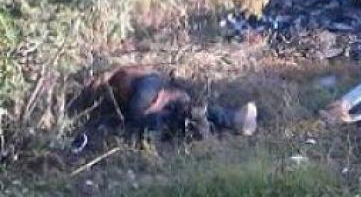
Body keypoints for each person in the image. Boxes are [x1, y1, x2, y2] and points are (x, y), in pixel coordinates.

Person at [76, 66, 257, 142]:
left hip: (142, 97)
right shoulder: (123, 76)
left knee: (168, 118)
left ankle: (228, 122)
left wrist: (159, 102)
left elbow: (133, 113)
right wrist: (162, 99)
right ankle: (232, 120)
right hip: (146, 90)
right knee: (180, 112)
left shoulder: (110, 88)